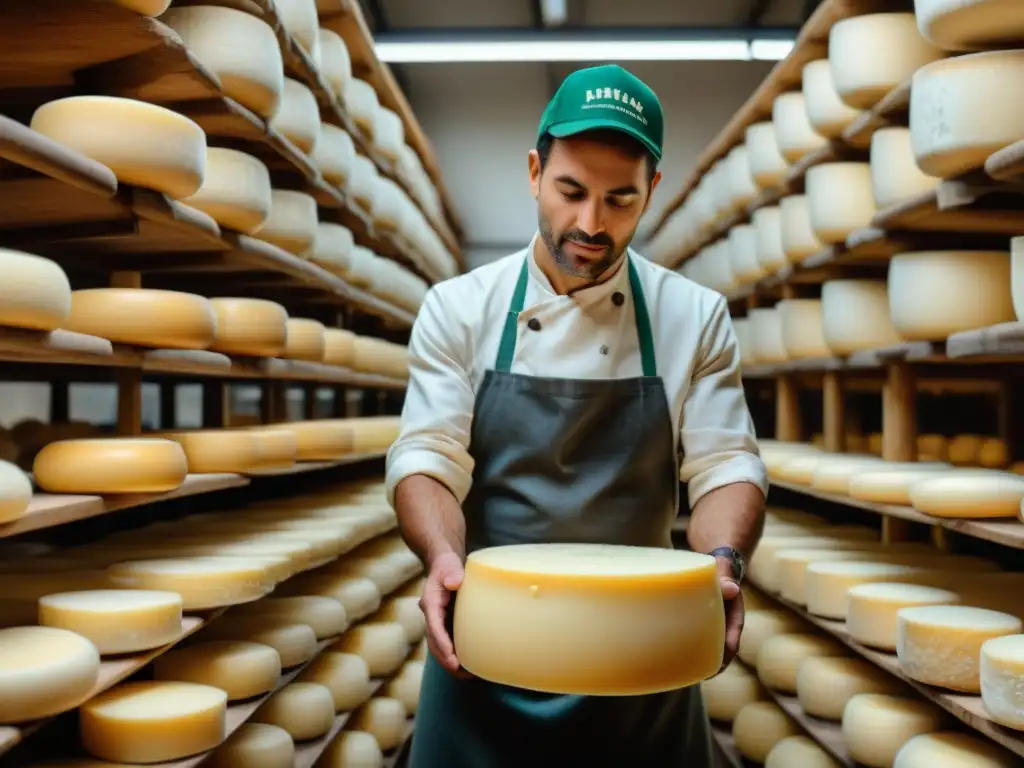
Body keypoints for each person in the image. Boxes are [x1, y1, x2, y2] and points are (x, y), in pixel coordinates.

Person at [385, 63, 767, 767]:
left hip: (641, 664)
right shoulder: (459, 308)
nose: (591, 224)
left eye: (620, 200)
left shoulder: (693, 316)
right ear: (534, 172)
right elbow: (426, 458)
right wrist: (442, 557)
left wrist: (721, 562)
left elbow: (725, 468)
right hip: (487, 655)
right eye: (571, 192)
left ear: (653, 191)